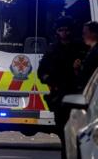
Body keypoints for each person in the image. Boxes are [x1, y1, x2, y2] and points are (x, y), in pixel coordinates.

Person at [38, 16, 87, 159]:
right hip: (59, 97)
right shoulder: (52, 50)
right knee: (63, 132)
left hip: (78, 95)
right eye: (61, 30)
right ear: (57, 32)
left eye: (66, 30)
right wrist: (51, 81)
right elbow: (42, 72)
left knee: (77, 134)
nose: (64, 33)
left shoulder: (80, 48)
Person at [74, 21, 98, 90]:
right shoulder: (91, 50)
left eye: (85, 33)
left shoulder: (95, 52)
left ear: (94, 34)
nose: (83, 36)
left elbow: (86, 76)